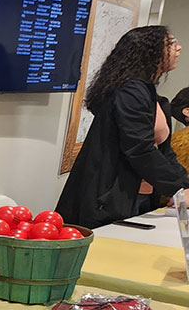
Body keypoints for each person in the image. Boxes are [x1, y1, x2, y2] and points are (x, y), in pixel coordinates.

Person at [56, 26, 188, 228]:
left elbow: (163, 151)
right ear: (149, 51)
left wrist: (183, 186)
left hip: (141, 196)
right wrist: (176, 188)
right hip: (112, 200)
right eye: (171, 43)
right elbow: (140, 149)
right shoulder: (131, 92)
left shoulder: (152, 95)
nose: (178, 48)